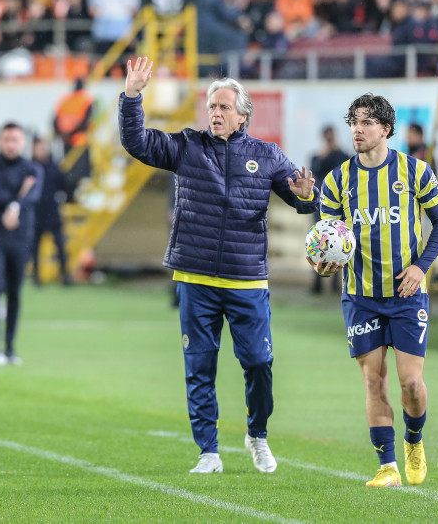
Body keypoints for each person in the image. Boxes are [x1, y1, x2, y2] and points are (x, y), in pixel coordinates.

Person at [119, 57, 319, 474]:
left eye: (225, 107)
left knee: (259, 364)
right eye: (212, 106)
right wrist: (132, 95)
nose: (216, 112)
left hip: (247, 280)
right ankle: (208, 451)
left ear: (243, 115)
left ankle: (257, 434)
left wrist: (305, 196)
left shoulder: (267, 155)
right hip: (195, 279)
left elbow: (300, 201)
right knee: (200, 368)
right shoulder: (186, 146)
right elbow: (137, 143)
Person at [309, 93, 438, 487]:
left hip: (406, 295)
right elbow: (328, 239)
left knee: (411, 384)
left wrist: (421, 268)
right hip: (360, 296)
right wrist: (322, 264)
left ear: (386, 129)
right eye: (354, 121)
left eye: (367, 122)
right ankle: (387, 466)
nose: (357, 128)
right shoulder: (338, 179)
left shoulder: (415, 171)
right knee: (374, 381)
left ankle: (414, 440)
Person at [0, 122, 43, 366]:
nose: (10, 144)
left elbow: (34, 196)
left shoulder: (32, 169)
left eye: (15, 139)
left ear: (22, 141)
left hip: (20, 237)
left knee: (15, 292)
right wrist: (15, 198)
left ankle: (10, 348)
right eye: (6, 139)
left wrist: (15, 205)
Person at [309, 125, 349, 294]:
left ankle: (335, 284)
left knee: (339, 244)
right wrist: (326, 152)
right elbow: (315, 169)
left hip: (338, 206)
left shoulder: (342, 156)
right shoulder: (317, 157)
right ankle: (317, 282)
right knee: (319, 245)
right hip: (321, 206)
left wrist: (335, 150)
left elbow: (347, 166)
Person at [31, 136, 70, 286]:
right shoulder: (30, 168)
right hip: (36, 213)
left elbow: (64, 186)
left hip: (52, 212)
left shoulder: (54, 167)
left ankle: (65, 276)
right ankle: (36, 277)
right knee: (35, 248)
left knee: (60, 245)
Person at [53, 78, 94, 201]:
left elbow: (55, 119)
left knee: (69, 171)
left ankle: (70, 197)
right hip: (79, 141)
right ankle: (75, 198)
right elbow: (86, 122)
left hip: (67, 140)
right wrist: (71, 133)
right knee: (80, 173)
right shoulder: (86, 100)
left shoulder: (64, 100)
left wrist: (62, 133)